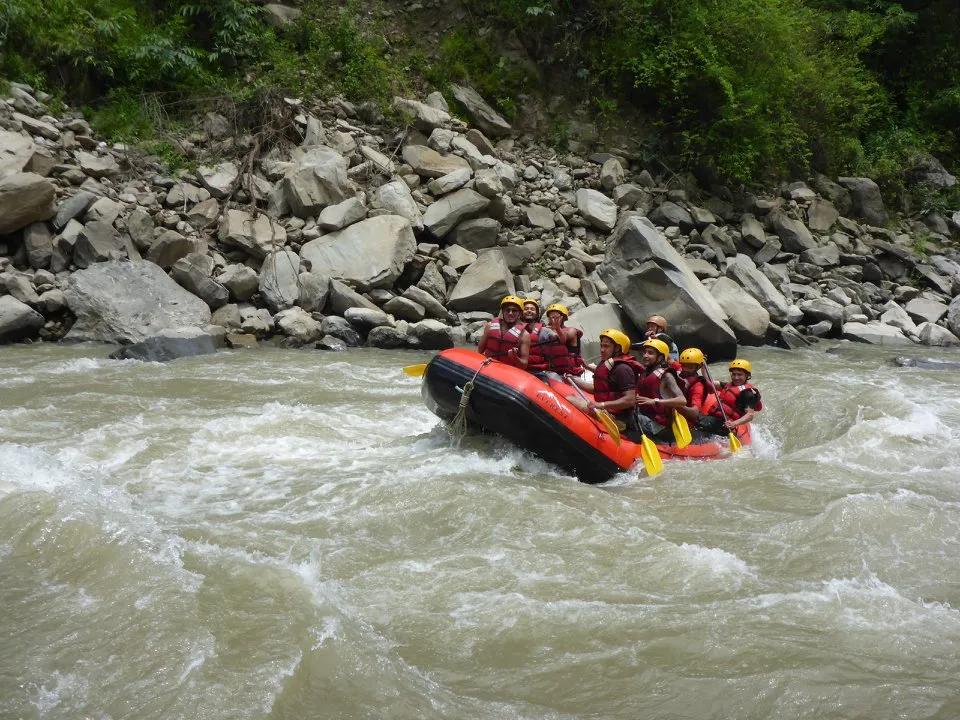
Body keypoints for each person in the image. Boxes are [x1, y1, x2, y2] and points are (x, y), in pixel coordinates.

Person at [568, 329, 642, 432]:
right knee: (571, 397)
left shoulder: (623, 369)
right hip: (607, 411)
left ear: (617, 348)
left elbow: (630, 400)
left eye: (606, 346)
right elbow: (597, 389)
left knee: (570, 400)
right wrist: (574, 379)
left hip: (618, 420)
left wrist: (601, 405)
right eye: (601, 346)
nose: (602, 350)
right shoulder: (608, 364)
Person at [634, 338, 686, 443]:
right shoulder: (644, 373)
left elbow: (682, 400)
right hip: (644, 415)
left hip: (659, 426)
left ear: (660, 357)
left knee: (629, 418)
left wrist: (654, 401)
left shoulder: (666, 376)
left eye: (650, 353)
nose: (645, 355)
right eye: (644, 352)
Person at [700, 358, 763, 435]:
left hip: (726, 424)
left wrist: (733, 424)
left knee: (697, 420)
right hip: (714, 418)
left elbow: (750, 415)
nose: (736, 377)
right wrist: (703, 367)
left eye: (739, 375)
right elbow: (710, 382)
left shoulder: (748, 393)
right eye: (734, 374)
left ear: (747, 375)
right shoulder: (728, 385)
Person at [477, 295, 531, 368]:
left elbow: (524, 365)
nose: (510, 313)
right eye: (507, 310)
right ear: (502, 312)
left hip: (507, 371)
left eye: (514, 310)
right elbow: (479, 351)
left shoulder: (524, 335)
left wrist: (515, 358)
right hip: (488, 365)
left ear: (520, 313)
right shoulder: (490, 326)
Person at [540, 303, 584, 376]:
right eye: (551, 317)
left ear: (563, 318)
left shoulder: (571, 330)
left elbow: (563, 340)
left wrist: (557, 328)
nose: (553, 319)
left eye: (556, 316)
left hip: (570, 372)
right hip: (552, 370)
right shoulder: (545, 331)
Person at [675, 347, 713, 423]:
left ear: (698, 366)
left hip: (684, 417)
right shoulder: (680, 370)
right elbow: (669, 359)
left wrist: (674, 405)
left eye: (690, 367)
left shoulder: (698, 387)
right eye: (683, 365)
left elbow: (694, 412)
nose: (685, 369)